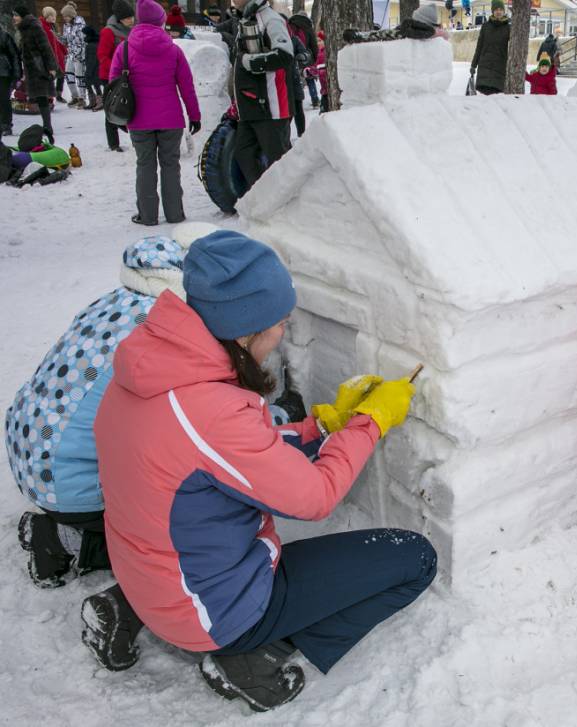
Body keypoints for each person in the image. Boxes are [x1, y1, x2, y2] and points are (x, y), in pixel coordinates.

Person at [89, 230, 437, 712]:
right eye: (279, 324)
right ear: (246, 329)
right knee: (415, 559)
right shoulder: (210, 411)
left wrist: (321, 425)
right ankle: (252, 657)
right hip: (209, 610)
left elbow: (232, 452)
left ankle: (135, 610)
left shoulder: (153, 372)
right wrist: (369, 423)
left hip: (148, 575)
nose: (283, 334)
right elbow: (314, 498)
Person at [6, 224, 217, 592]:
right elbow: (195, 422)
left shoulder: (124, 297)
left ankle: (61, 523)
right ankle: (69, 541)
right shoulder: (163, 330)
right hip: (64, 483)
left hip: (27, 449)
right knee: (175, 532)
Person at [109, 0, 200, 225]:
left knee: (145, 165)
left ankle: (148, 216)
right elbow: (187, 86)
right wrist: (194, 115)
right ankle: (175, 214)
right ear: (161, 20)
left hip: (139, 120)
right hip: (171, 119)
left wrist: (117, 117)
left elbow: (113, 84)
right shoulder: (173, 49)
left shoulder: (125, 49)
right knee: (171, 165)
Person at [231, 0, 294, 193]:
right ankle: (265, 198)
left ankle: (290, 202)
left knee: (278, 159)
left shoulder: (271, 19)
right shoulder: (247, 19)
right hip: (249, 105)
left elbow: (285, 55)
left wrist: (248, 62)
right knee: (243, 153)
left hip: (270, 105)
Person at [12, 6, 59, 144]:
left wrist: (51, 67)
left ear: (22, 16)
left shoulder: (34, 27)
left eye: (16, 15)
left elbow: (45, 47)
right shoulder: (23, 29)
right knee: (40, 96)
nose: (14, 18)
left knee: (42, 95)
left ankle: (47, 126)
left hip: (39, 66)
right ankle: (46, 124)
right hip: (31, 67)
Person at [98, 0, 136, 152]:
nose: (130, 20)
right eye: (127, 18)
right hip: (110, 76)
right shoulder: (109, 31)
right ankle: (113, 144)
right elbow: (102, 56)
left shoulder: (133, 30)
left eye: (132, 17)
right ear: (119, 18)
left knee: (130, 105)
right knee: (112, 107)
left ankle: (133, 136)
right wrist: (117, 71)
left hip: (128, 75)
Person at [470, 0, 509, 95]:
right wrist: (473, 65)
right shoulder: (485, 26)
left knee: (497, 98)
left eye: (500, 9)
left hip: (500, 67)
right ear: (492, 11)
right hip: (485, 67)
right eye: (496, 9)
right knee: (484, 100)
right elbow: (479, 47)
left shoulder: (509, 28)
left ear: (504, 11)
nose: (498, 12)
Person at [289, 13, 319, 109]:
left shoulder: (290, 25)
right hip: (306, 57)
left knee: (295, 80)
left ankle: (296, 103)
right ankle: (315, 100)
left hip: (294, 57)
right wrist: (314, 59)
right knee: (310, 80)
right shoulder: (308, 27)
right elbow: (314, 45)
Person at [61, 2, 87, 109]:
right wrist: (57, 37)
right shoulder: (66, 26)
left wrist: (79, 54)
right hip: (70, 54)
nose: (65, 18)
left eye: (67, 16)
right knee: (69, 75)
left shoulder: (80, 25)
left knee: (80, 76)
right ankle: (75, 96)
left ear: (72, 15)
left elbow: (83, 41)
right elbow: (66, 41)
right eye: (64, 16)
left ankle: (82, 98)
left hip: (79, 55)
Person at [40, 7, 67, 102]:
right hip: (50, 55)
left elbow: (58, 40)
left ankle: (58, 94)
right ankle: (49, 96)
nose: (54, 17)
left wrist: (64, 50)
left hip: (58, 54)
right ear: (47, 15)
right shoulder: (42, 26)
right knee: (50, 76)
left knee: (61, 75)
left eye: (54, 15)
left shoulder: (53, 26)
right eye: (51, 15)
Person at [0, 23, 22, 136]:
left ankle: (6, 125)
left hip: (3, 72)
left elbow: (14, 55)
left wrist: (17, 74)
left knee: (4, 99)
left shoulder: (4, 36)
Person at [81, 24, 103, 110]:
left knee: (90, 83)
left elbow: (91, 60)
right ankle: (96, 101)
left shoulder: (90, 46)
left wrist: (88, 71)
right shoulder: (96, 42)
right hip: (97, 68)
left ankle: (97, 101)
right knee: (95, 84)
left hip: (93, 69)